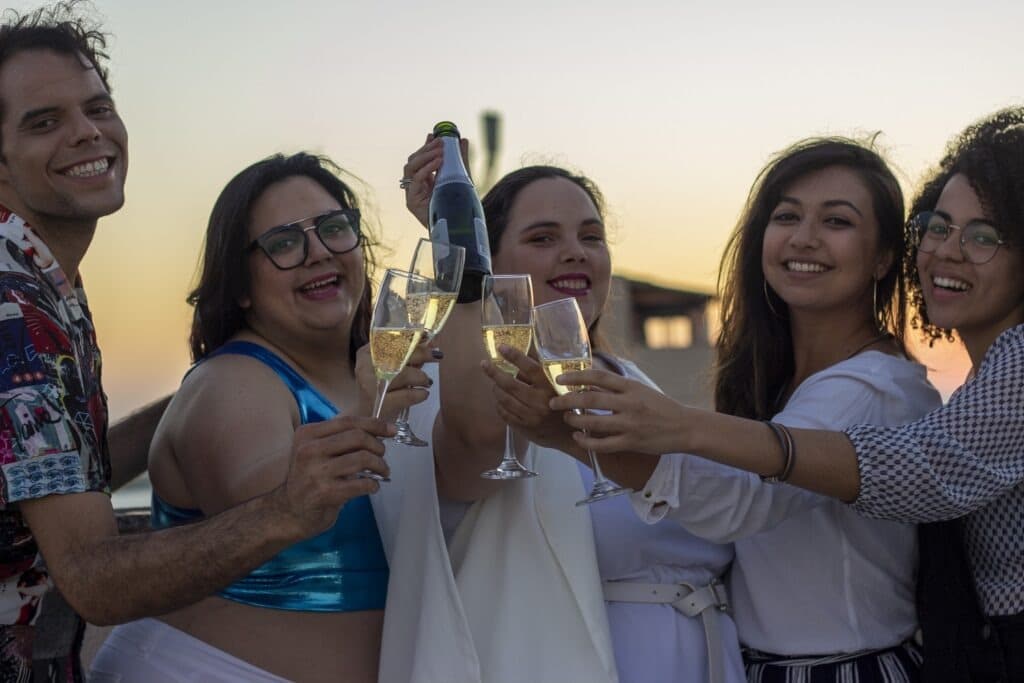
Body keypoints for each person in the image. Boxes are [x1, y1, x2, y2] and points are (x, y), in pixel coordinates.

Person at [550, 108, 1024, 681]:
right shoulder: (785, 379)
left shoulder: (879, 384)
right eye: (939, 227)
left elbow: (910, 472)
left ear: (882, 258)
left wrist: (644, 430)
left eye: (837, 222)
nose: (805, 238)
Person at [0, 5, 392, 679]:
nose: (87, 133)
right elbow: (94, 579)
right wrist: (286, 510)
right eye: (44, 122)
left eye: (97, 107)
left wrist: (208, 382)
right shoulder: (14, 308)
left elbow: (53, 468)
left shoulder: (40, 284)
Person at [390, 138, 746, 683]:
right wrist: (458, 246)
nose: (576, 252)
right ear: (493, 259)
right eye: (542, 238)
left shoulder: (633, 384)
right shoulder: (457, 384)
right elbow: (475, 448)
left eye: (592, 237)